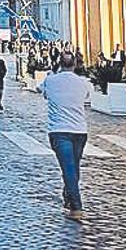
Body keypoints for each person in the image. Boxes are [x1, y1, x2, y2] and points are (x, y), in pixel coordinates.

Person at [40, 52, 91, 221]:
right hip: (79, 130)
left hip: (59, 130)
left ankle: (76, 206)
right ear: (75, 64)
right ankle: (69, 196)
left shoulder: (50, 80)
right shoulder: (83, 83)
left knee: (69, 168)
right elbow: (86, 97)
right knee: (73, 167)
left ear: (59, 63)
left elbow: (43, 92)